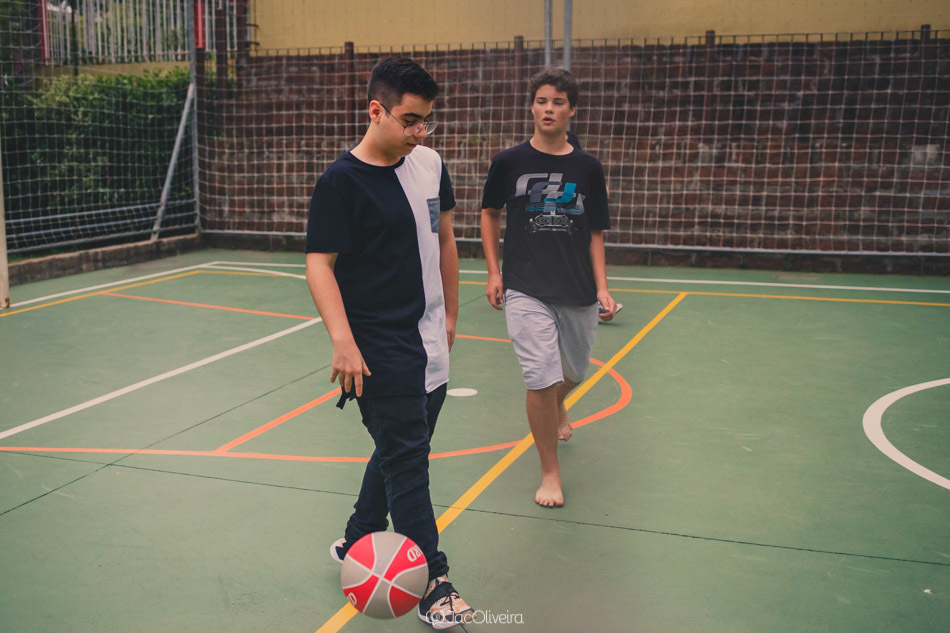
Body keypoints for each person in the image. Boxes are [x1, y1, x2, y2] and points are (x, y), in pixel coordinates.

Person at [305, 57, 474, 629]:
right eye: (408, 120)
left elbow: (446, 237)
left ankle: (356, 538)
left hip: (430, 338)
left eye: (425, 121)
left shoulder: (428, 164)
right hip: (378, 345)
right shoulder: (340, 183)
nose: (418, 132)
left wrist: (450, 311)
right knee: (409, 461)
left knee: (404, 445)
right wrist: (343, 341)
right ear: (374, 110)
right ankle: (436, 582)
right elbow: (319, 265)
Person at [480, 67, 618, 508]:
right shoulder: (509, 162)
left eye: (558, 102)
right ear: (532, 106)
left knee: (574, 372)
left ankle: (560, 402)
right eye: (542, 100)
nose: (549, 109)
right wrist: (494, 272)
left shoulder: (588, 168)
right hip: (526, 285)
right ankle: (550, 473)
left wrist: (603, 288)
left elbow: (596, 232)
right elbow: (489, 213)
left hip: (576, 288)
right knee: (540, 377)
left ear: (571, 110)